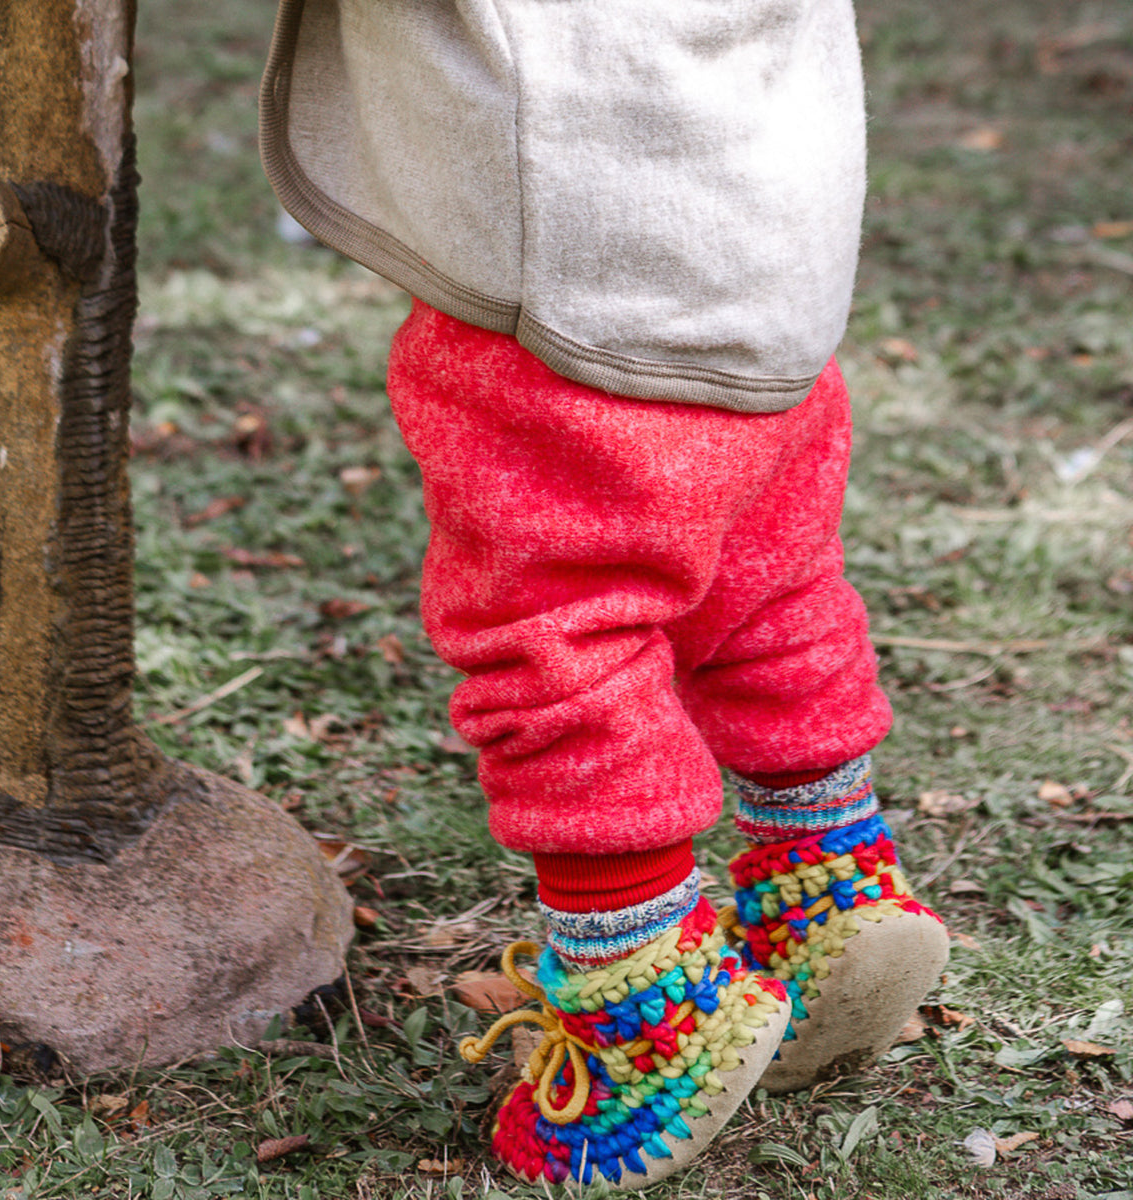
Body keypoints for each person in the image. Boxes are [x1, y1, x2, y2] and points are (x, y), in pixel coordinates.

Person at [259, 0, 949, 1187]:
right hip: (769, 246)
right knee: (769, 583)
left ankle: (640, 998)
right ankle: (827, 874)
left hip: (574, 268)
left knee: (555, 631)